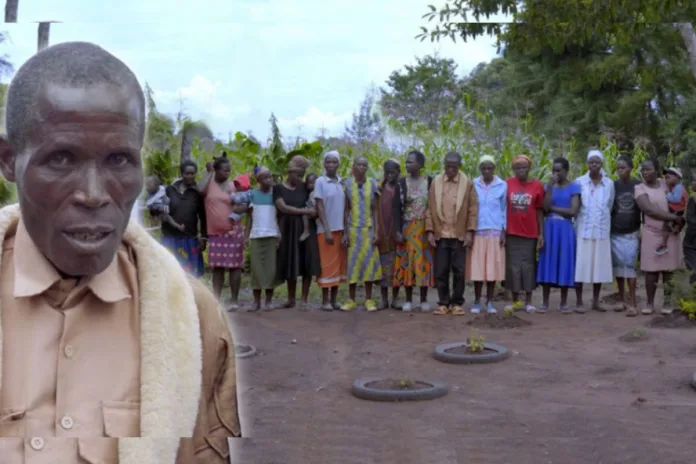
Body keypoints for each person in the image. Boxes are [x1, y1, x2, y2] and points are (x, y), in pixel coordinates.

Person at [0, 41, 239, 464]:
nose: (93, 194)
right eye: (60, 159)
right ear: (8, 160)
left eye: (118, 160)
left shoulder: (191, 317)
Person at [426, 151, 478, 316]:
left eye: (453, 167)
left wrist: (470, 232)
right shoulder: (436, 182)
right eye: (447, 166)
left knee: (459, 271)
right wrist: (430, 231)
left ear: (459, 166)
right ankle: (443, 303)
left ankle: (456, 303)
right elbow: (429, 208)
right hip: (441, 234)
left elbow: (472, 209)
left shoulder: (467, 183)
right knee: (441, 270)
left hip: (459, 234)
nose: (450, 170)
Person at [635, 158, 684, 315]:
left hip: (670, 233)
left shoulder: (666, 183)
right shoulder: (640, 188)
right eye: (643, 169)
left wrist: (679, 220)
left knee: (669, 270)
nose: (645, 172)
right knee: (651, 270)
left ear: (657, 170)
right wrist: (673, 218)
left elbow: (681, 196)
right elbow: (649, 210)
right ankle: (649, 303)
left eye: (648, 169)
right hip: (651, 232)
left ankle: (668, 303)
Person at [274, 155, 321, 310]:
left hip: (306, 229)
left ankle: (304, 300)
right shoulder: (278, 188)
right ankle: (291, 299)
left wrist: (312, 211)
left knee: (306, 263)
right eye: (297, 175)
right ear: (290, 172)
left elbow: (315, 203)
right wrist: (304, 210)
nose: (300, 178)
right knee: (290, 263)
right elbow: (282, 207)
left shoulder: (304, 187)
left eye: (302, 175)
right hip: (287, 229)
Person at [199, 152, 244, 310]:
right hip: (215, 233)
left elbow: (242, 204)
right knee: (217, 267)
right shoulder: (209, 184)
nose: (227, 172)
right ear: (216, 170)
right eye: (224, 170)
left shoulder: (232, 185)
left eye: (229, 170)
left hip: (233, 231)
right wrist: (209, 172)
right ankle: (216, 300)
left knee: (235, 267)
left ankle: (234, 300)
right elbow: (199, 190)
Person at [536, 157, 580, 313]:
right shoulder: (549, 187)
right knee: (547, 261)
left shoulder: (574, 187)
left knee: (564, 262)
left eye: (558, 170)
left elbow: (573, 211)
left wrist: (553, 208)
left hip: (566, 229)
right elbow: (544, 207)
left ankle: (563, 302)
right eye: (553, 170)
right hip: (550, 228)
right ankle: (545, 302)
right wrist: (549, 187)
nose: (556, 173)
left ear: (566, 171)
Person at [574, 150, 615, 313]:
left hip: (601, 230)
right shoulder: (580, 182)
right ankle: (579, 301)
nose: (594, 165)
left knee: (599, 267)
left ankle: (596, 301)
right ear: (587, 164)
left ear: (602, 164)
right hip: (583, 229)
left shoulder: (609, 184)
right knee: (581, 266)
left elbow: (609, 205)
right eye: (591, 162)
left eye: (597, 162)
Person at [393, 150, 435, 311]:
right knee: (407, 263)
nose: (407, 164)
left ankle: (423, 299)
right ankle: (409, 300)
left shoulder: (429, 182)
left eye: (410, 162)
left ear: (420, 165)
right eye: (407, 162)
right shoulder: (402, 183)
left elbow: (433, 206)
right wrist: (398, 231)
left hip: (424, 229)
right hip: (408, 229)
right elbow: (396, 208)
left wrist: (432, 230)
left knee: (423, 263)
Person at [504, 154, 545, 313]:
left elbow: (539, 210)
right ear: (513, 169)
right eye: (518, 168)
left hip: (530, 233)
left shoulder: (537, 186)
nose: (521, 170)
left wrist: (540, 233)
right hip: (512, 232)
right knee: (513, 266)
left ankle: (528, 300)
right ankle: (515, 301)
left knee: (528, 266)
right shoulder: (507, 184)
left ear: (529, 168)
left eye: (524, 167)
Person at [466, 155, 506, 314]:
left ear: (494, 169)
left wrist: (504, 230)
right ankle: (476, 301)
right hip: (478, 231)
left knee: (492, 269)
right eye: (484, 168)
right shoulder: (473, 184)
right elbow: (469, 208)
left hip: (495, 232)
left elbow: (504, 209)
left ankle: (489, 301)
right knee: (477, 269)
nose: (487, 171)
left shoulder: (502, 185)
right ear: (480, 169)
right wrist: (468, 231)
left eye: (490, 168)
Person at [342, 156, 383, 311]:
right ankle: (351, 299)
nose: (361, 167)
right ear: (354, 166)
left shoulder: (372, 184)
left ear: (367, 167)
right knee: (352, 265)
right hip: (353, 229)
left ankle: (368, 299)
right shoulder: (347, 184)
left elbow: (375, 209)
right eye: (358, 164)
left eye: (364, 165)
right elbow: (346, 209)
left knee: (368, 264)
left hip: (368, 229)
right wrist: (345, 232)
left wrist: (377, 232)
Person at [161, 160, 207, 278]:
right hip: (169, 238)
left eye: (193, 173)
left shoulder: (197, 193)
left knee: (189, 276)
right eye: (187, 173)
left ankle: (190, 296)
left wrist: (203, 237)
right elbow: (161, 209)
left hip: (189, 238)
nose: (190, 176)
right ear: (182, 174)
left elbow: (203, 216)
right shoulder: (170, 190)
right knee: (170, 274)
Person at [242, 166, 280, 311]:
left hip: (271, 235)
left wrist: (279, 234)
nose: (268, 180)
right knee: (256, 270)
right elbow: (249, 218)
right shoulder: (252, 195)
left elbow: (279, 217)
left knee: (270, 270)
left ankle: (269, 301)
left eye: (270, 177)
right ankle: (256, 301)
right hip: (256, 236)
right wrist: (246, 236)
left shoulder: (275, 195)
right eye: (265, 178)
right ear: (258, 180)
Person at [314, 151, 347, 311]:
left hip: (340, 229)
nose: (331, 165)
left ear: (338, 164)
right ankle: (325, 300)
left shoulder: (341, 182)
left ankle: (334, 300)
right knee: (326, 266)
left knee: (338, 266)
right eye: (328, 162)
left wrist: (345, 232)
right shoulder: (320, 182)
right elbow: (319, 206)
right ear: (324, 164)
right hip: (326, 230)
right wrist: (327, 230)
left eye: (334, 162)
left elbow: (345, 209)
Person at [610, 155, 642, 315]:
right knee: (618, 269)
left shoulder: (637, 185)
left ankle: (633, 303)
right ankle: (621, 300)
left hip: (632, 232)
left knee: (630, 267)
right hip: (615, 232)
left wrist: (642, 228)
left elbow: (643, 208)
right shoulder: (613, 185)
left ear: (631, 168)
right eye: (618, 168)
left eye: (623, 167)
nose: (620, 170)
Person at [375, 159, 401, 309]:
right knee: (383, 267)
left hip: (396, 233)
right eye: (387, 172)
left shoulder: (401, 188)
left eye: (392, 172)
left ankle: (395, 299)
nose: (390, 175)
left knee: (397, 267)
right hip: (383, 232)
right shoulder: (380, 189)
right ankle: (384, 299)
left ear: (398, 172)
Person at [656, 167, 687, 255]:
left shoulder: (678, 187)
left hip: (676, 211)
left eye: (668, 177)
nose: (666, 179)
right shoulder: (676, 187)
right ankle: (677, 227)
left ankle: (664, 245)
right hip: (677, 211)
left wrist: (668, 195)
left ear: (677, 177)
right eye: (666, 178)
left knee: (665, 227)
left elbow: (676, 199)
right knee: (673, 226)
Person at [683, 171, 696, 284]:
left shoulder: (693, 200)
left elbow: (691, 221)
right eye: (693, 180)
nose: (693, 183)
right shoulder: (693, 199)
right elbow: (691, 220)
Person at [300, 173, 319, 242]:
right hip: (314, 210)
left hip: (314, 210)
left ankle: (306, 231)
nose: (309, 185)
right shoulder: (313, 192)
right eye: (307, 183)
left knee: (304, 213)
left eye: (311, 183)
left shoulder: (313, 193)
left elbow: (315, 204)